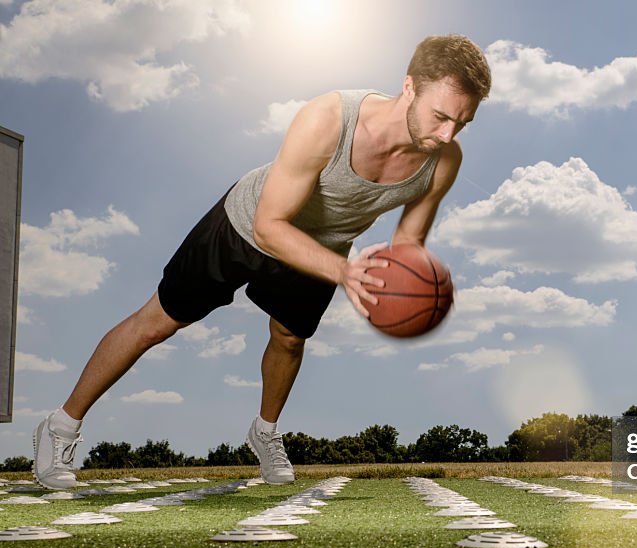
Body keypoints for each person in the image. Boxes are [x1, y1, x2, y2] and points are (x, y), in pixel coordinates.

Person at [32, 35, 491, 489]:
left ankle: (265, 433)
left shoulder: (443, 161)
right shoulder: (328, 119)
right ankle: (60, 426)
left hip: (326, 247)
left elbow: (407, 244)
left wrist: (409, 288)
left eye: (462, 123)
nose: (447, 134)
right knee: (157, 322)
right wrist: (346, 273)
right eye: (441, 116)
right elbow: (271, 225)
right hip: (246, 223)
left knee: (289, 339)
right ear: (409, 87)